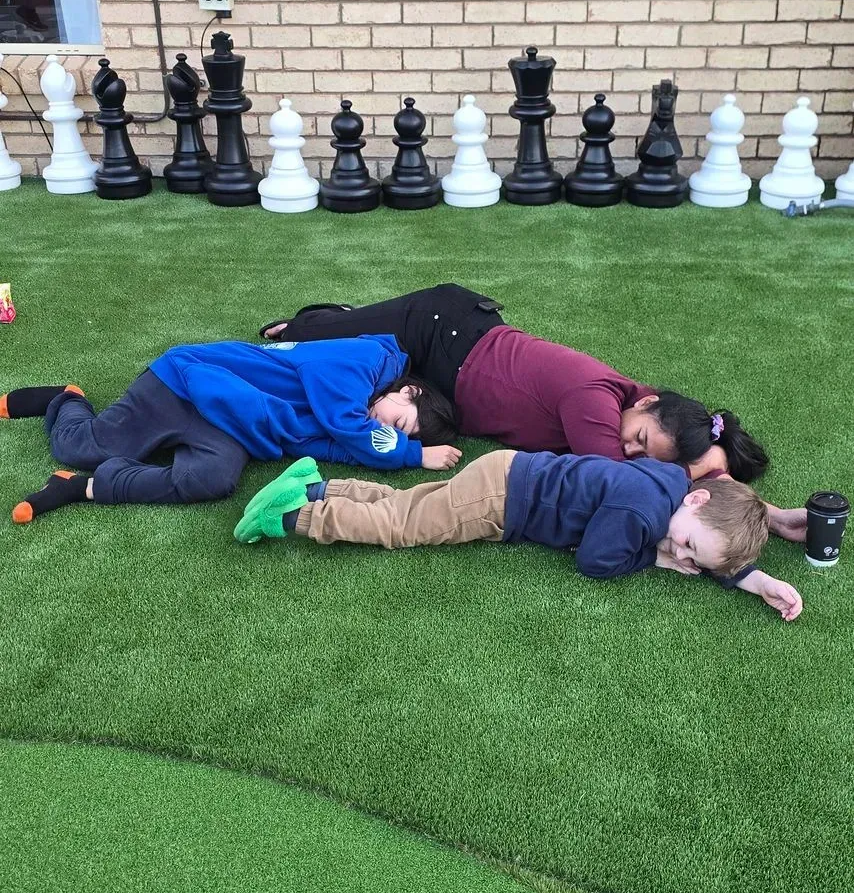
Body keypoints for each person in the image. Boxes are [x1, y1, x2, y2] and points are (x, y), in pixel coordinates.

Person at [258, 285, 806, 543]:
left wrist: (763, 511)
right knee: (303, 336)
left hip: (445, 379)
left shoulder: (639, 407)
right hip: (442, 328)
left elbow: (671, 470)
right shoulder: (595, 402)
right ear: (645, 403)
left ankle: (346, 321)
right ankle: (327, 316)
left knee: (380, 377)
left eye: (641, 450)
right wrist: (752, 515)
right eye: (636, 438)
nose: (630, 451)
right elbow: (637, 485)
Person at [232, 449, 803, 621]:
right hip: (502, 501)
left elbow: (707, 544)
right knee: (404, 527)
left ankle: (315, 485)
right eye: (688, 545)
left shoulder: (672, 483)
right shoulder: (645, 519)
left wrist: (752, 580)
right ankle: (291, 518)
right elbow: (597, 561)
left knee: (413, 502)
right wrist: (652, 559)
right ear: (697, 500)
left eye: (691, 559)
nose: (682, 554)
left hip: (507, 471)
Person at [1, 335, 460, 522]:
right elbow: (347, 426)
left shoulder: (356, 415)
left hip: (231, 428)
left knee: (210, 480)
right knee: (81, 445)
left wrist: (396, 449)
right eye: (399, 423)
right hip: (185, 384)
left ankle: (82, 489)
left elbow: (338, 444)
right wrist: (412, 456)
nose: (388, 429)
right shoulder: (363, 364)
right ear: (408, 392)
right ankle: (67, 399)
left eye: (399, 435)